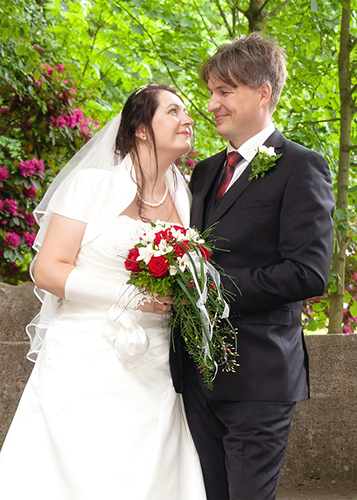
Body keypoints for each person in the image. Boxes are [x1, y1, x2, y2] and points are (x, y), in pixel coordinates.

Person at [0, 84, 207, 500]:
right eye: (173, 111)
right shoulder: (91, 185)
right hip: (84, 355)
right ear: (142, 129)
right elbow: (47, 269)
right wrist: (129, 296)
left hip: (157, 363)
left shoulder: (184, 196)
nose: (188, 120)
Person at [170, 33, 335, 499]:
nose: (211, 104)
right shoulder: (203, 172)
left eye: (225, 91)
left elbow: (308, 272)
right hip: (196, 376)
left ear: (263, 93)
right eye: (211, 92)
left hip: (259, 375)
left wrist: (209, 290)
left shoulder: (302, 166)